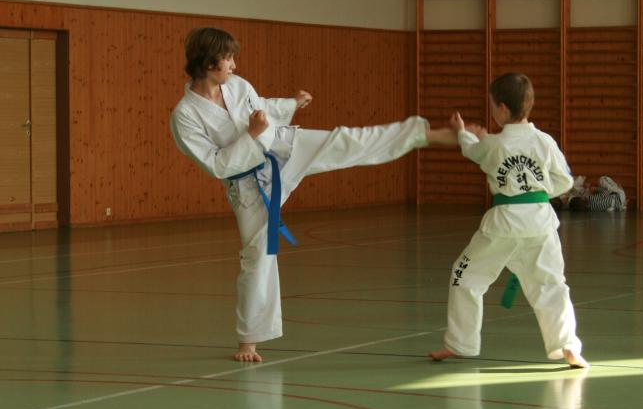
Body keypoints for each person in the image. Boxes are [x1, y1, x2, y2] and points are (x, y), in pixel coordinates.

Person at [171, 27, 458, 363]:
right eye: (228, 58)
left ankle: (424, 135)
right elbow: (217, 164)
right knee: (258, 256)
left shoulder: (237, 85)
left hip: (282, 148)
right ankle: (249, 341)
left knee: (342, 140)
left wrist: (291, 104)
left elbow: (262, 107)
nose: (234, 64)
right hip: (250, 185)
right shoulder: (185, 116)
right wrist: (251, 135)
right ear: (208, 64)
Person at [430, 72, 588, 369]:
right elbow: (565, 181)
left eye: (492, 106)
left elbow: (472, 151)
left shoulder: (494, 144)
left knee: (465, 277)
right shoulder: (544, 141)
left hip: (502, 226)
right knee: (551, 285)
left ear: (502, 109)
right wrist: (538, 193)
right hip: (540, 223)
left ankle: (461, 343)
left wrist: (463, 132)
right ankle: (567, 346)